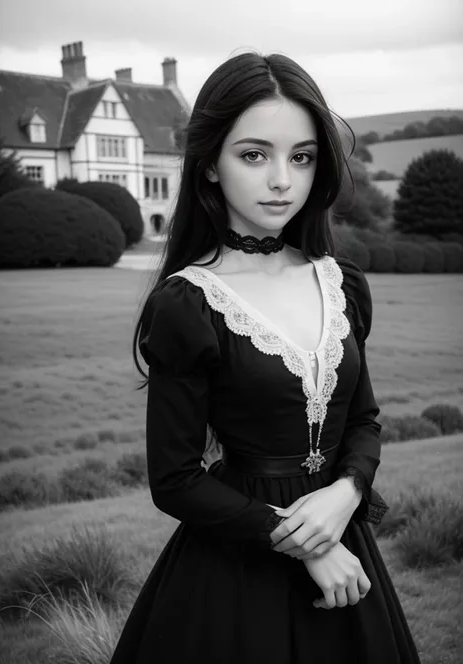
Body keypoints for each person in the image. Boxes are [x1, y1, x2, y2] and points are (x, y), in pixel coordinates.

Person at [110, 52, 421, 664]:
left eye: (301, 157)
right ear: (209, 168)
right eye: (255, 155)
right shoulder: (189, 303)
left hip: (345, 544)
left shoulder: (341, 283)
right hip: (237, 565)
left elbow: (362, 421)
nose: (283, 179)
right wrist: (307, 544)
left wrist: (346, 494)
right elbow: (174, 480)